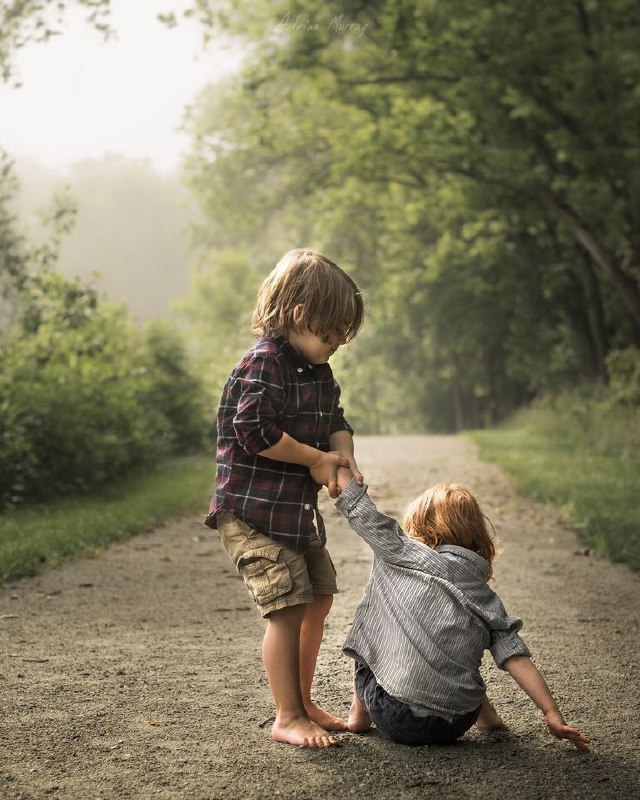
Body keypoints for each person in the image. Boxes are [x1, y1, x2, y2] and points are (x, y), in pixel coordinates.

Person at [205, 248, 364, 748]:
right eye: (332, 331)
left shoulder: (318, 371)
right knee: (288, 606)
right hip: (253, 512)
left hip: (293, 513)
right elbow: (252, 430)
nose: (338, 343)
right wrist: (315, 461)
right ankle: (287, 715)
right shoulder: (263, 364)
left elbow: (336, 420)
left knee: (318, 597)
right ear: (300, 317)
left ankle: (303, 699)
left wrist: (343, 458)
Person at [334, 473, 590, 750]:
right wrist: (551, 713)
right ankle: (486, 716)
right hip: (457, 721)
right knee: (455, 646)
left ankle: (358, 716)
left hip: (399, 717)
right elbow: (516, 657)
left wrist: (345, 482)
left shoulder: (406, 554)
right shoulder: (484, 595)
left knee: (370, 631)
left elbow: (370, 521)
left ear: (421, 528)